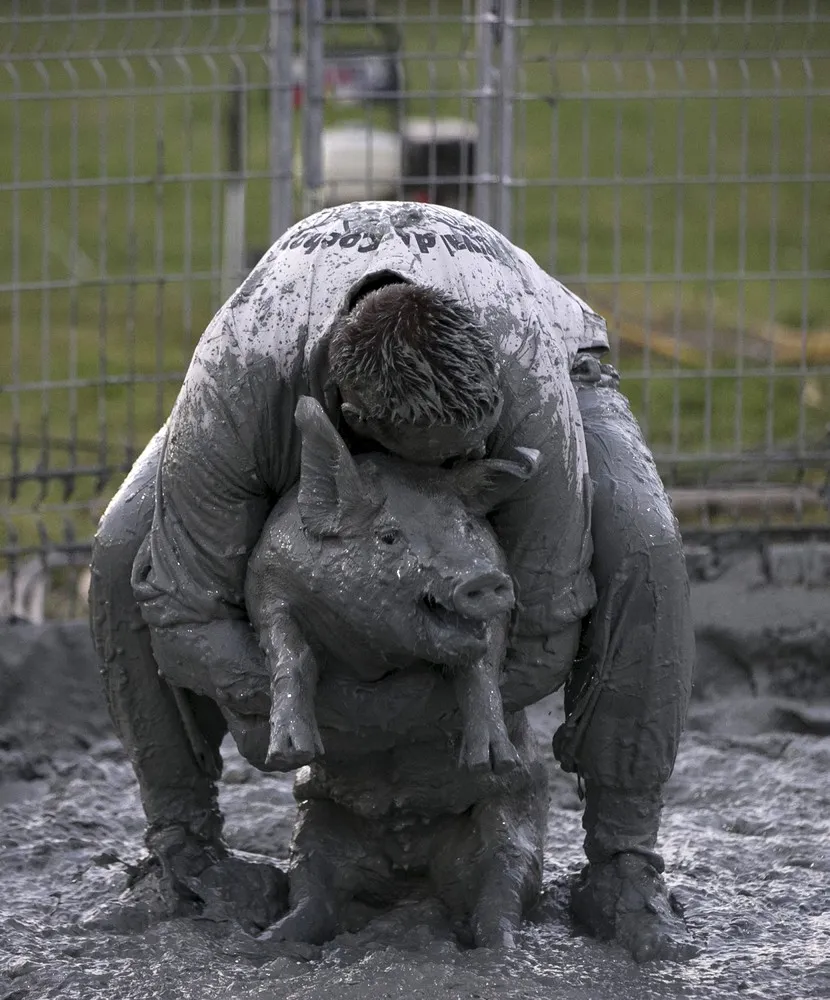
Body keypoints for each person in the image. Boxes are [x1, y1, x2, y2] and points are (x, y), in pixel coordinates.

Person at [89, 201, 696, 962]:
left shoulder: (520, 375)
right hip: (281, 374)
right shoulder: (241, 379)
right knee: (120, 550)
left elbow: (543, 627)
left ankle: (625, 861)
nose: (455, 475)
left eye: (470, 453)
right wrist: (283, 702)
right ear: (352, 419)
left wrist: (344, 718)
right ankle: (180, 849)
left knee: (645, 544)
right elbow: (183, 616)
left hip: (556, 357)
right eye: (441, 463)